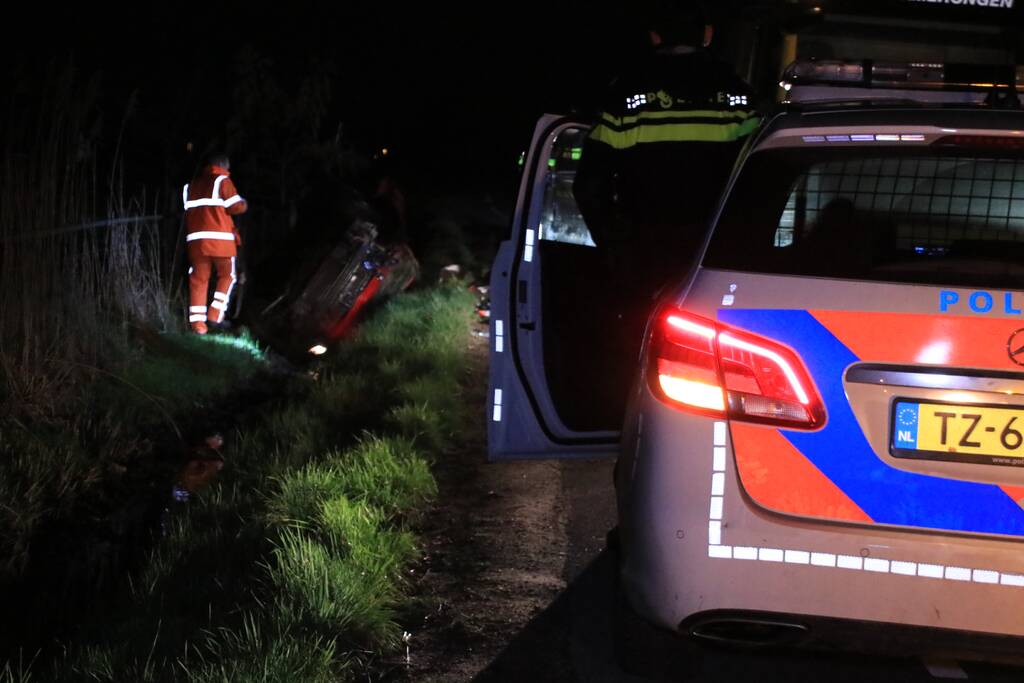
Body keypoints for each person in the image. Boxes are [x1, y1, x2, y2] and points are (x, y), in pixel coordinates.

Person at [573, 0, 760, 316]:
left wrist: (616, 250)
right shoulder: (737, 96)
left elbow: (589, 186)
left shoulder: (624, 98)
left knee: (640, 339)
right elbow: (758, 182)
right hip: (715, 256)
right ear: (707, 35)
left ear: (655, 37)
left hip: (646, 253)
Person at [182, 153, 248, 334]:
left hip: (196, 243)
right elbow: (236, 207)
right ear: (223, 166)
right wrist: (244, 204)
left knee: (198, 280)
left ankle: (198, 326)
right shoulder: (222, 181)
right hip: (221, 243)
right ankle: (214, 316)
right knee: (228, 276)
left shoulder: (190, 186)